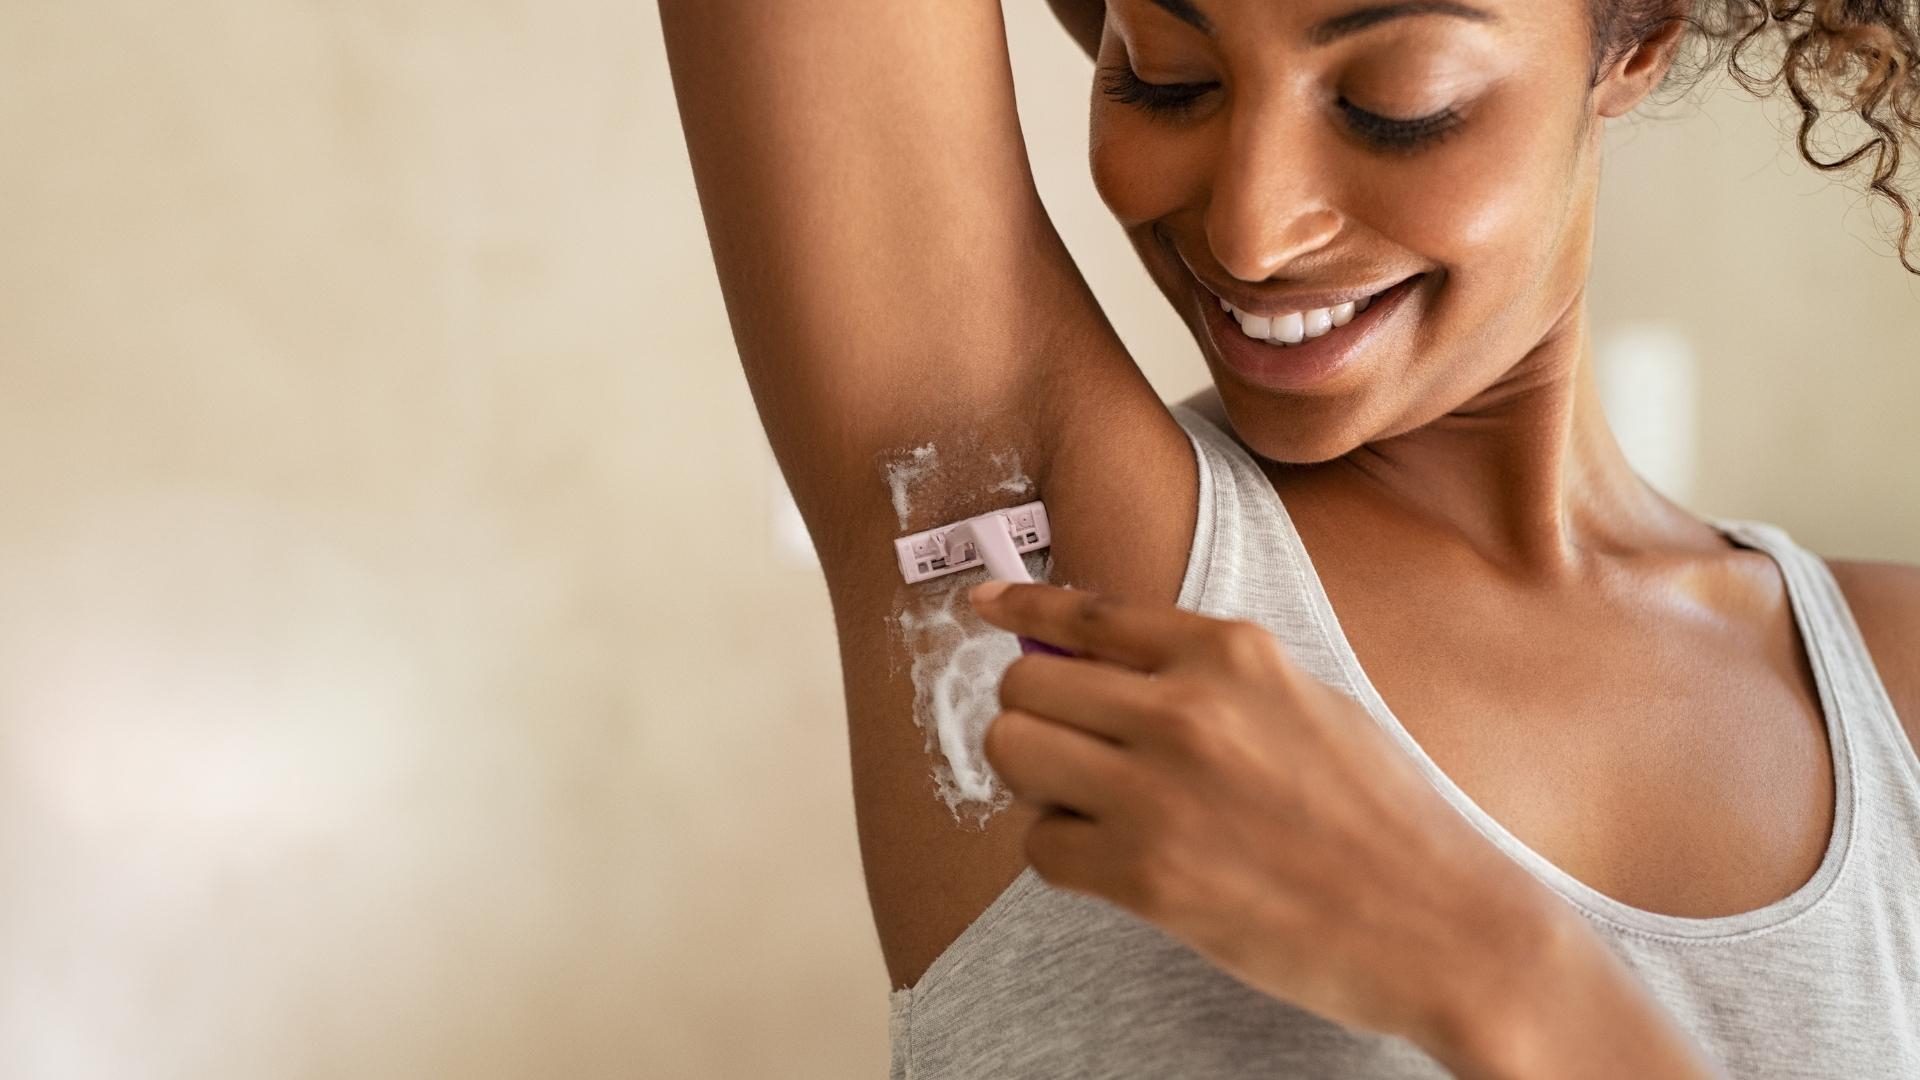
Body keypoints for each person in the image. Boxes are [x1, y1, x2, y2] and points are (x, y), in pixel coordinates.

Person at [659, 0, 1920, 1075]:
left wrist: (1500, 969)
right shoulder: (1029, 531)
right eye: (1166, 75)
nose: (1251, 233)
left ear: (1631, 44)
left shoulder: (1897, 695)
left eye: (1396, 101)